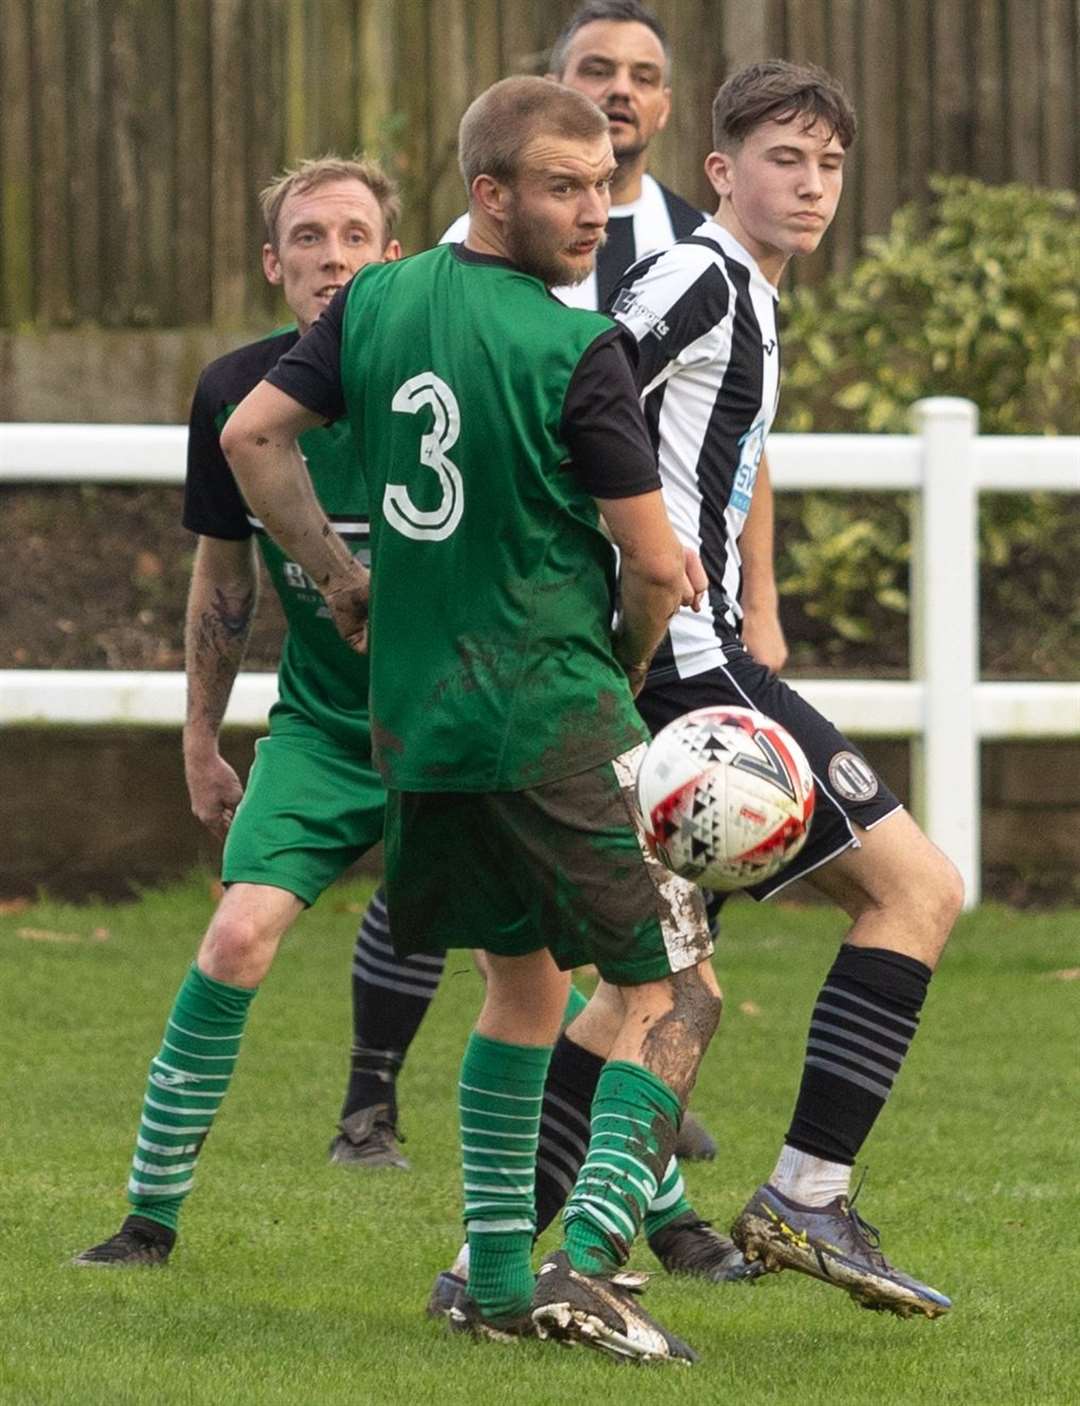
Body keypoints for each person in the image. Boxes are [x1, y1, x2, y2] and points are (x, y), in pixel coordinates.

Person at [221, 75, 728, 1365]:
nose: (598, 211)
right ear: (487, 194)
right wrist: (614, 678)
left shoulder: (377, 303)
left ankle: (498, 1283)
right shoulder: (575, 350)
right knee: (673, 992)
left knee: (519, 987)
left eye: (608, 183)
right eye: (563, 185)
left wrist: (344, 585)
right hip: (554, 713)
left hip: (422, 728)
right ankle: (586, 1260)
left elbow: (254, 436)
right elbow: (659, 569)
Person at [596, 59, 963, 1319]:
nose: (810, 185)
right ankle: (806, 1191)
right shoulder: (700, 275)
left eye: (829, 165)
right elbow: (579, 399)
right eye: (784, 159)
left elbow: (721, 455)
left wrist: (760, 590)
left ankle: (518, 1257)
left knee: (639, 992)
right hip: (682, 665)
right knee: (918, 888)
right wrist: (637, 583)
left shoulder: (748, 292)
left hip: (701, 645)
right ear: (722, 171)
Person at [72, 155, 418, 1269]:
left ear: (392, 255)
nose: (333, 258)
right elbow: (226, 579)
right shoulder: (236, 392)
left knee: (558, 974)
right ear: (275, 265)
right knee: (233, 935)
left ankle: (666, 1216)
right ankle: (146, 1222)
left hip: (464, 724)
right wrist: (198, 737)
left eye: (355, 236)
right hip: (323, 732)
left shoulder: (442, 379)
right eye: (308, 239)